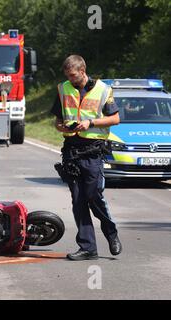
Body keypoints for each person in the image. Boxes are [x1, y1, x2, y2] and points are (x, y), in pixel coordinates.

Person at [50, 55, 122, 261]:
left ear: (83, 71)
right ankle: (88, 247)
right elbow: (57, 121)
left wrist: (91, 123)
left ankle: (111, 233)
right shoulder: (63, 88)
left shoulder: (103, 90)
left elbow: (115, 118)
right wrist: (61, 127)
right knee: (78, 200)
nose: (70, 79)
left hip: (93, 150)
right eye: (67, 76)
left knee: (93, 196)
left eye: (73, 76)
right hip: (71, 150)